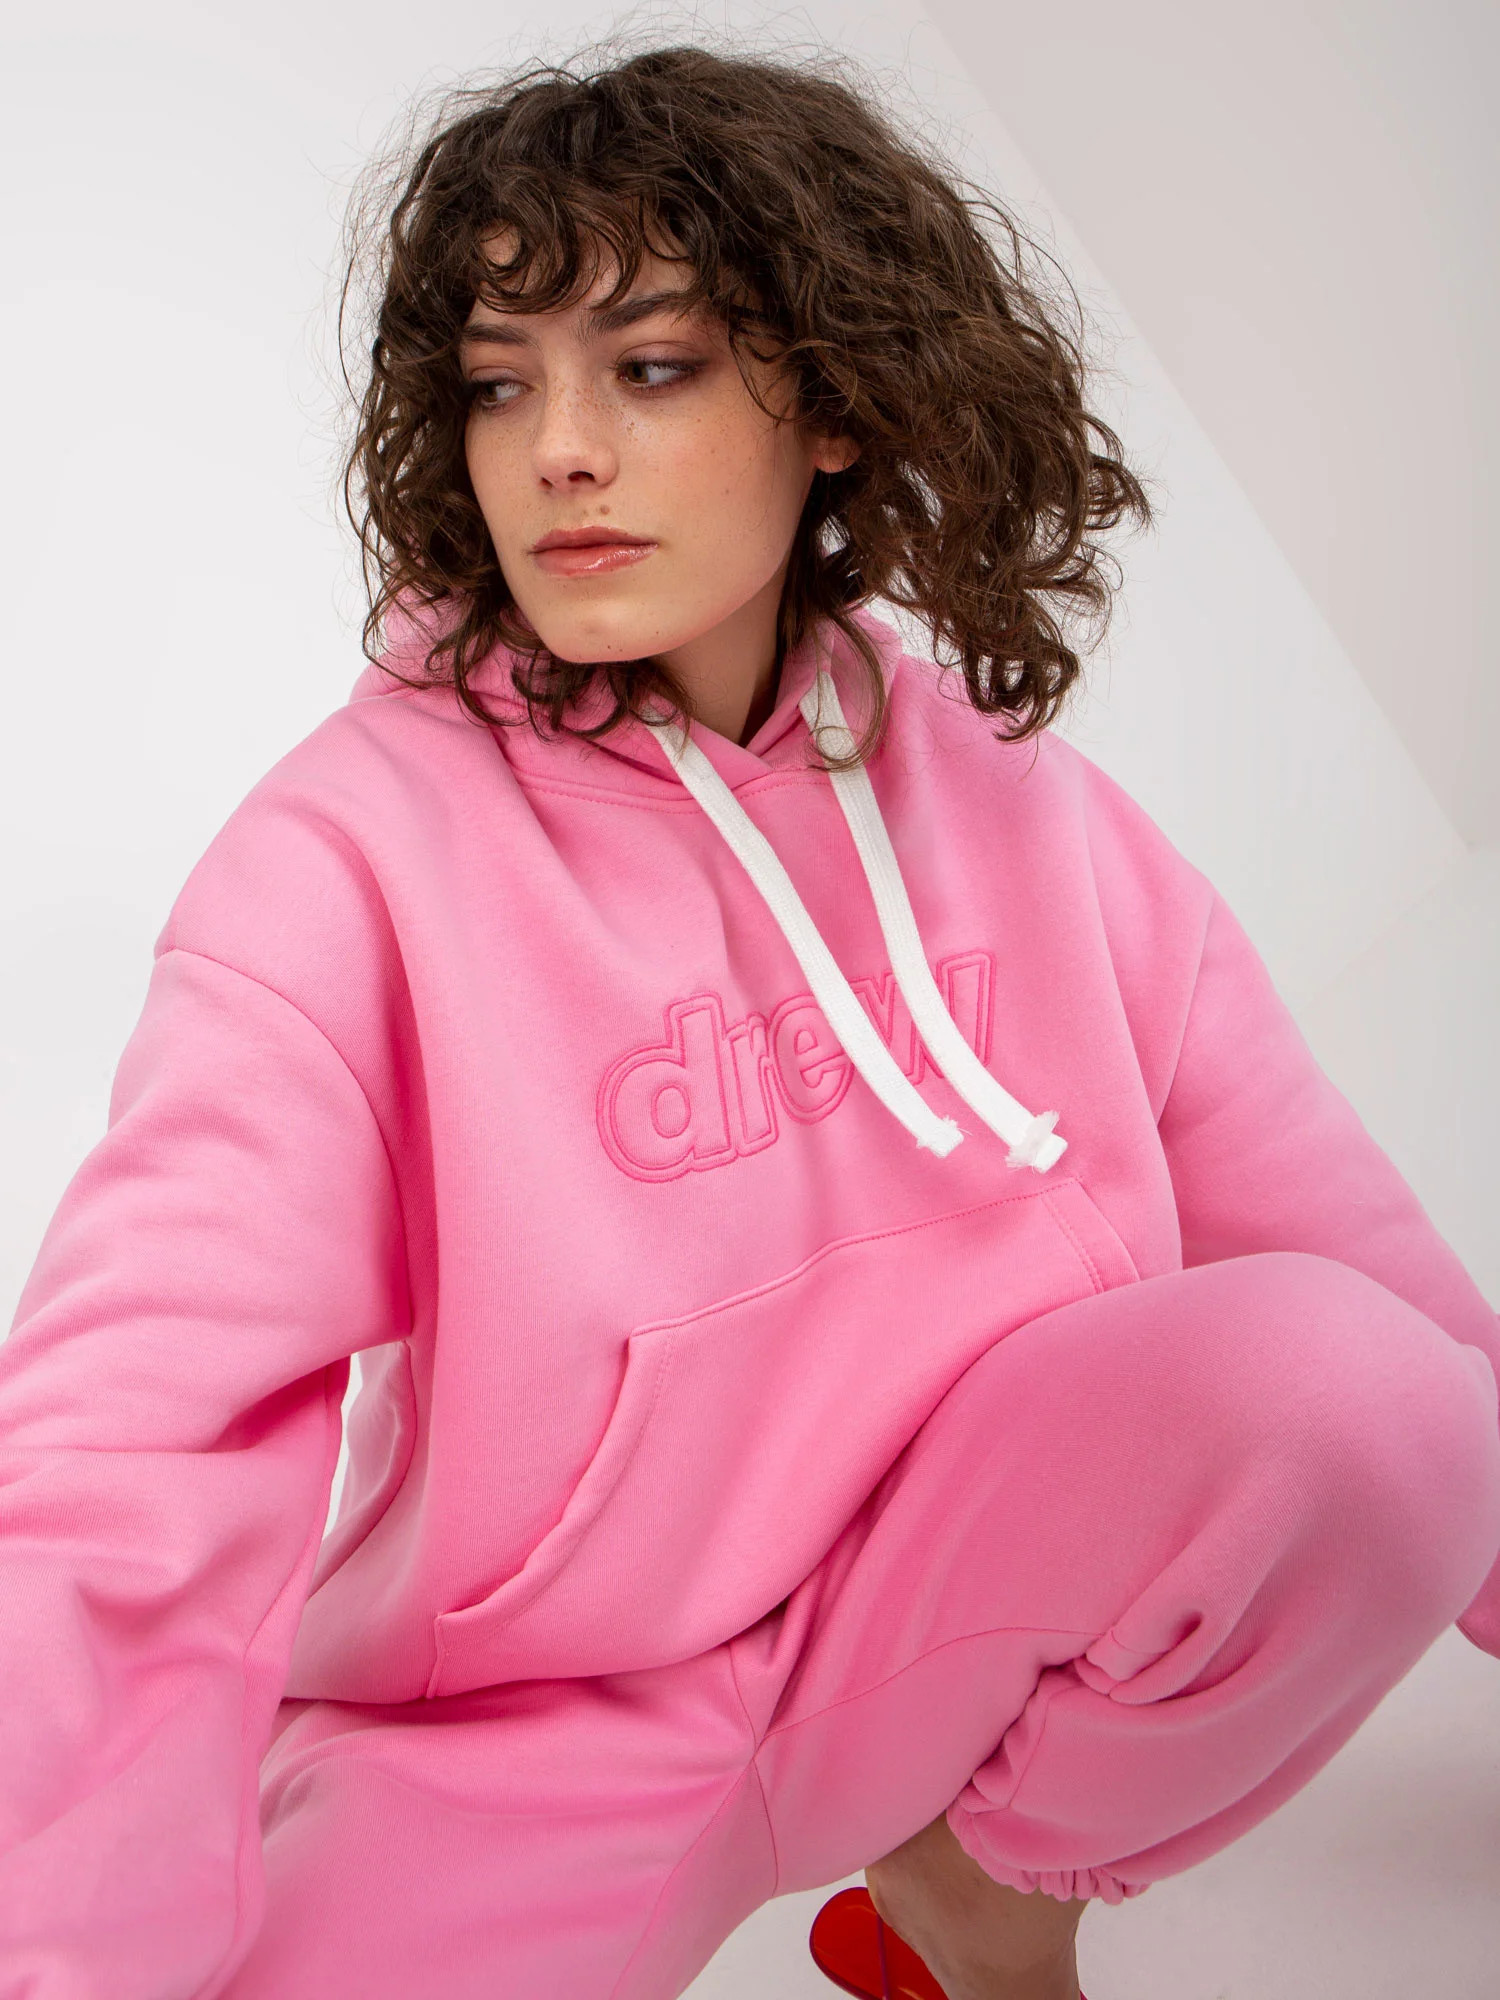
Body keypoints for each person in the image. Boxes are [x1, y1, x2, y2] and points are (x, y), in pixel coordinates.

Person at [1, 41, 1497, 2000]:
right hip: (523, 1736)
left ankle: (976, 1903)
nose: (559, 449)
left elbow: (1336, 1234)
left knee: (1372, 1397)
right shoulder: (342, 864)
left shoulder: (1007, 803)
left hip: (946, 1619)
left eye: (651, 366)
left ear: (844, 401)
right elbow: (136, 1449)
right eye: (498, 383)